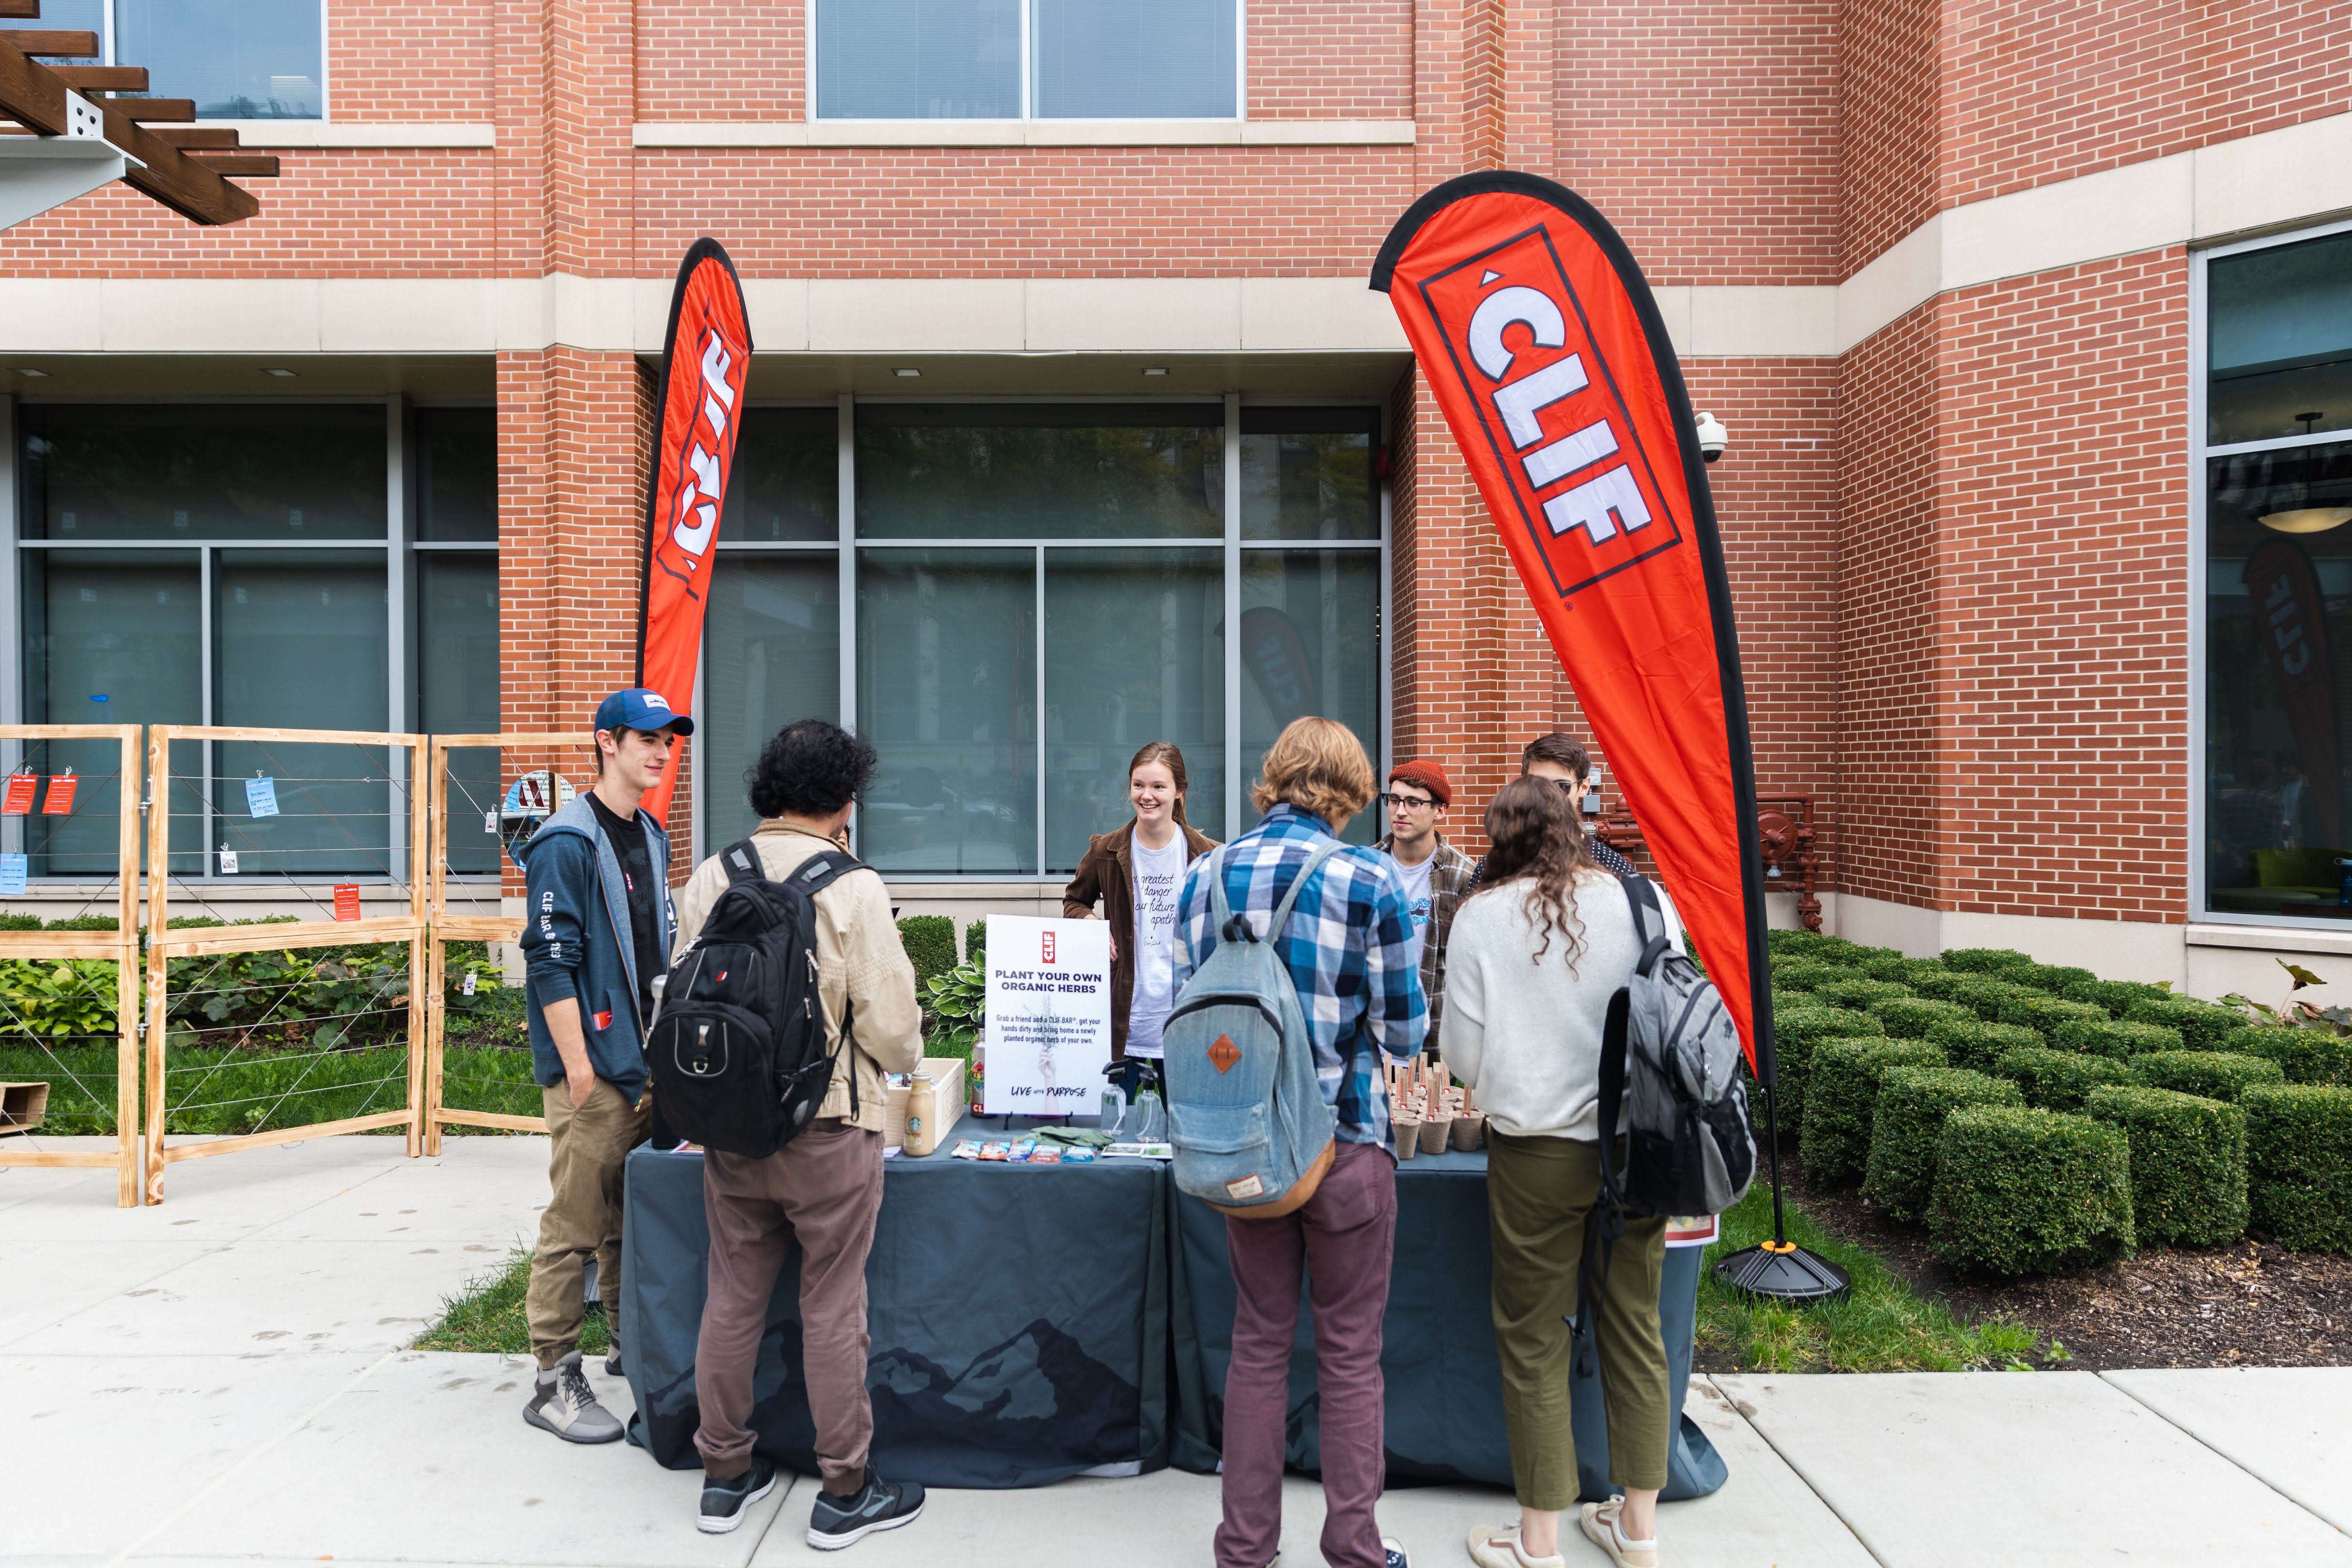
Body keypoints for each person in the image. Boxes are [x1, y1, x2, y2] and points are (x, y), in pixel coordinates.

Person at [668, 718, 928, 1544]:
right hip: (828, 1126)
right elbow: (892, 1031)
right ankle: (845, 1489)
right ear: (844, 797)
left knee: (732, 1296)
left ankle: (723, 1476)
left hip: (731, 1125)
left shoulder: (713, 873)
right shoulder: (851, 886)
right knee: (832, 1305)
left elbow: (677, 997)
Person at [1174, 716, 1424, 1568]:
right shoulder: (1369, 877)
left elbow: (1185, 1008)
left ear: (1273, 776)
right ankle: (1353, 1546)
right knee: (1349, 1353)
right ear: (1349, 790)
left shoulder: (1205, 873)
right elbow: (1402, 1033)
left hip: (1244, 1146)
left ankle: (1244, 1547)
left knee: (1256, 1342)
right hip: (1343, 1140)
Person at [1443, 776, 1681, 1568]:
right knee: (1634, 1326)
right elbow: (1678, 1019)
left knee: (1533, 1337)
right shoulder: (1645, 902)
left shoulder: (1480, 917)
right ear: (1576, 829)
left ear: (1501, 840)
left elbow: (1460, 1057)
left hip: (1534, 1149)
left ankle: (1537, 1538)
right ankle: (1637, 1528)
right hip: (1637, 1145)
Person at [516, 687, 689, 1444]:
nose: (660, 751)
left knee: (628, 1220)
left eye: (667, 740)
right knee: (575, 1225)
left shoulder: (648, 833)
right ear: (606, 743)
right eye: (645, 738)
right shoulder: (566, 841)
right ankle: (552, 1379)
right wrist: (578, 1068)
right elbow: (549, 962)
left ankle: (627, 1345)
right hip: (593, 1070)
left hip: (645, 1064)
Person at [1060, 741, 1219, 1092]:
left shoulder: (1210, 857)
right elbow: (1074, 901)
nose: (1147, 796)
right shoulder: (1105, 851)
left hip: (1186, 1017)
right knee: (1116, 1120)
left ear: (1179, 791)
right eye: (1139, 785)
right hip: (1123, 1018)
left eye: (1158, 786)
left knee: (1182, 1120)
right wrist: (1091, 925)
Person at [1375, 759, 1475, 1058]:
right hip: (1371, 1040)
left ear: (1440, 810)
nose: (1400, 811)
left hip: (1434, 1045)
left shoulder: (1463, 875)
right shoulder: (1367, 868)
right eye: (1394, 800)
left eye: (1414, 802)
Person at [1468, 733, 1636, 893]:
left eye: (1562, 786)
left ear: (1584, 787)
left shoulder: (1612, 866)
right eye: (1538, 784)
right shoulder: (1492, 867)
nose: (1549, 796)